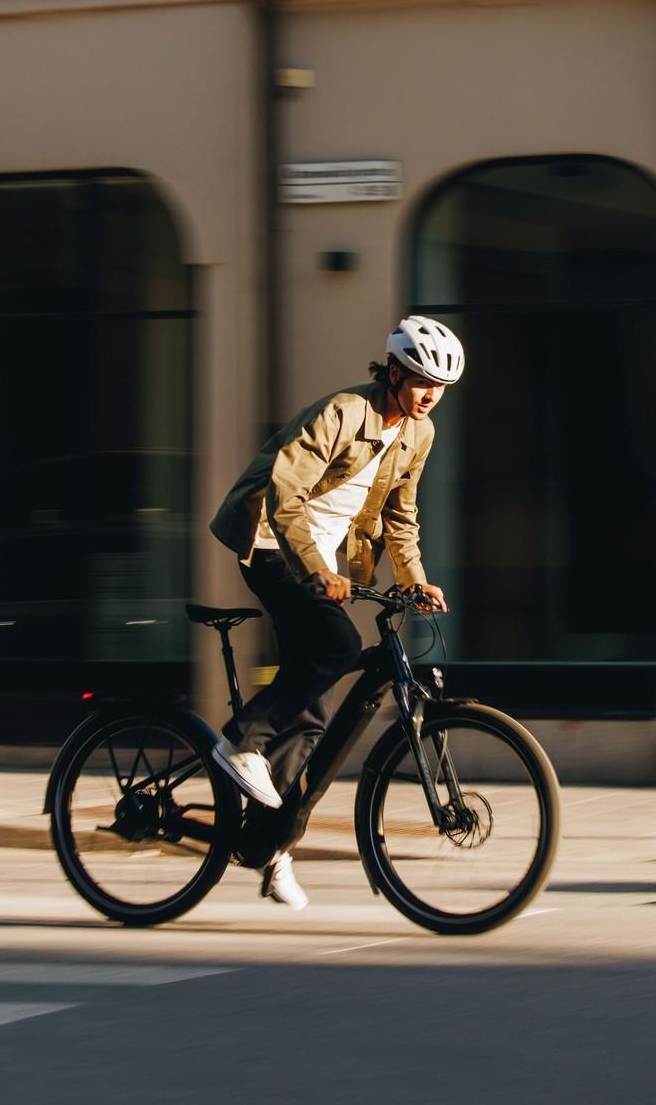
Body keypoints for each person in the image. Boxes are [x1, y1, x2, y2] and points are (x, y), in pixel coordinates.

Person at [208, 316, 465, 909]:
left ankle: (270, 842)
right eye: (423, 380)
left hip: (328, 561)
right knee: (337, 651)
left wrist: (416, 580)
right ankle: (240, 741)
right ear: (395, 371)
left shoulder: (419, 435)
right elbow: (283, 492)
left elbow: (401, 516)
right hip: (272, 544)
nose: (431, 395)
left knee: (315, 714)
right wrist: (316, 570)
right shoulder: (344, 412)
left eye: (441, 387)